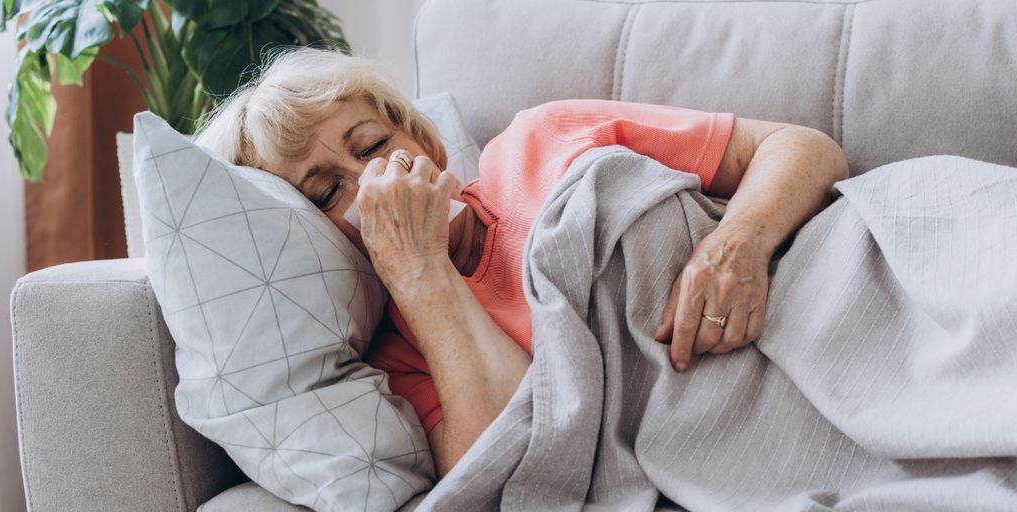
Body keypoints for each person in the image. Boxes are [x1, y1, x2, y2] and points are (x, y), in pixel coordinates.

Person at [195, 48, 849, 477]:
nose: (374, 179)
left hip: (825, 293)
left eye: (373, 144)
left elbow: (801, 148)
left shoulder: (542, 136)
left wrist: (734, 244)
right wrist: (422, 270)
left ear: (424, 140)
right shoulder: (403, 356)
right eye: (327, 192)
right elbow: (514, 462)